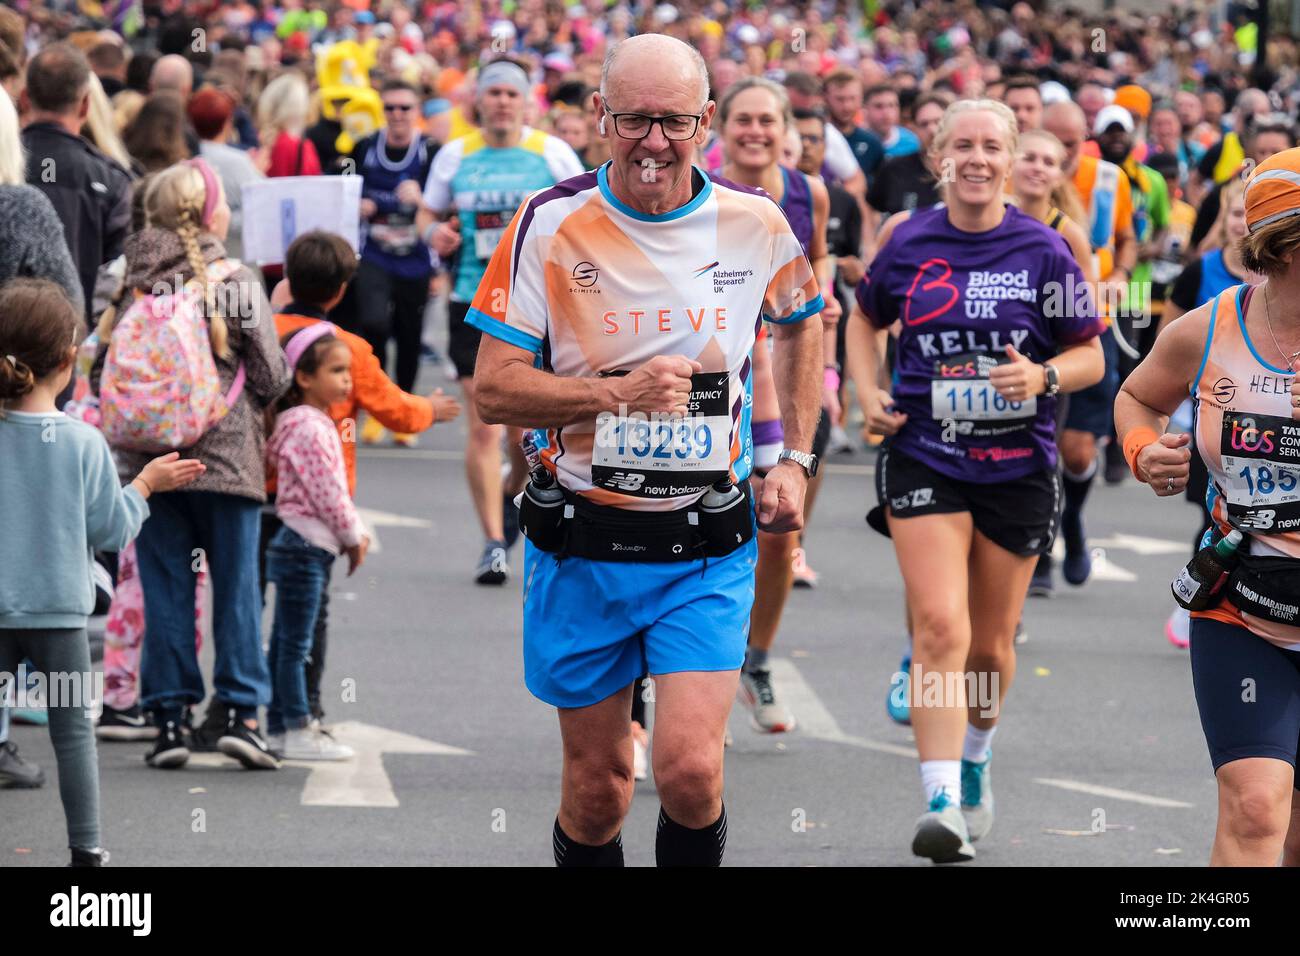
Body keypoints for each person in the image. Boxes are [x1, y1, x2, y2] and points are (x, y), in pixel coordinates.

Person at [470, 33, 823, 866]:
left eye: (674, 121)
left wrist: (795, 460)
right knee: (598, 795)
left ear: (705, 121)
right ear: (600, 115)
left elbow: (805, 325)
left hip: (703, 545)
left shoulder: (754, 223)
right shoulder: (550, 224)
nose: (654, 142)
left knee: (692, 773)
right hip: (583, 544)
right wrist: (611, 394)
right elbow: (492, 389)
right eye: (633, 119)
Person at [847, 99, 1104, 862]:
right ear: (940, 158)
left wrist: (1045, 374)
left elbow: (1089, 353)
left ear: (1012, 156)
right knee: (939, 630)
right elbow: (862, 319)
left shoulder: (1044, 249)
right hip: (926, 452)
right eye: (964, 145)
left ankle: (977, 752)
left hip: (1018, 467)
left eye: (994, 146)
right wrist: (866, 392)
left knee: (989, 649)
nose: (980, 158)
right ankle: (940, 799)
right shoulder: (908, 241)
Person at [1114, 147, 1300, 867]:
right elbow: (1136, 396)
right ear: (1282, 248)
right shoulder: (1211, 327)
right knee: (1256, 809)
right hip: (1242, 606)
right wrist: (1142, 452)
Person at [0, 277, 204, 865]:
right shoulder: (82, 442)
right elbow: (112, 530)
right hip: (60, 614)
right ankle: (85, 853)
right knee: (72, 737)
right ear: (67, 362)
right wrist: (145, 485)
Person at [99, 160, 291, 770]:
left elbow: (101, 359)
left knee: (165, 589)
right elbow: (271, 374)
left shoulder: (125, 277)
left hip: (148, 463)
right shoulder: (232, 279)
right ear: (211, 215)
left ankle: (170, 719)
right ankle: (240, 712)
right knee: (235, 589)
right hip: (225, 461)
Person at [268, 231, 458, 726]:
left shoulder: (261, 332)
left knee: (247, 605)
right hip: (314, 508)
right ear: (342, 290)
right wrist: (431, 410)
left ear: (288, 278)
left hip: (253, 488)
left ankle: (243, 708)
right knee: (309, 617)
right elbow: (392, 409)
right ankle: (302, 711)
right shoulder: (344, 348)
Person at [417, 58, 584, 585]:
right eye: (494, 94)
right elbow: (427, 213)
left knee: (520, 435)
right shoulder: (455, 156)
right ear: (479, 102)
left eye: (513, 93)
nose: (503, 102)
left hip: (538, 308)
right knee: (483, 425)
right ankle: (492, 541)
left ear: (527, 101)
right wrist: (433, 235)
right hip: (474, 301)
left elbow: (587, 211)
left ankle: (514, 502)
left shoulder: (550, 153)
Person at [715, 76, 840, 732]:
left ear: (786, 128)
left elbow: (815, 278)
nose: (756, 131)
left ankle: (755, 660)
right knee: (713, 524)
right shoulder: (695, 185)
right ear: (720, 126)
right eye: (744, 120)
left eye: (768, 120)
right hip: (725, 375)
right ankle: (694, 684)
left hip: (789, 368)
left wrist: (829, 367)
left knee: (781, 531)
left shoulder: (806, 191)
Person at [1156, 177, 1259, 650]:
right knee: (1218, 511)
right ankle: (1201, 592)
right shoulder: (1201, 273)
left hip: (1279, 424)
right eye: (1234, 213)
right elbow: (1167, 342)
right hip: (1213, 418)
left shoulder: (1282, 277)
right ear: (1224, 219)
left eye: (1249, 211)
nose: (1243, 221)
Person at [1037, 100, 1135, 595]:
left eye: (1070, 145)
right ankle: (1038, 547)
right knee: (1038, 451)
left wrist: (1119, 276)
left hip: (1088, 330)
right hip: (1033, 342)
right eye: (1048, 143)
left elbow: (1128, 240)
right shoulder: (1010, 192)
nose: (1057, 155)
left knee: (1075, 453)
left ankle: (1071, 518)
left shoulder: (1107, 181)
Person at [264, 325, 367, 760]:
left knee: (287, 640)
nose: (346, 380)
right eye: (336, 370)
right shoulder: (309, 427)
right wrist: (353, 536)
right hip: (306, 545)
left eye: (348, 371)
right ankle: (295, 727)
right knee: (295, 644)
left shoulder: (304, 422)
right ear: (304, 378)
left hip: (302, 545)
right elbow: (329, 492)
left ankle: (278, 726)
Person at [347, 79, 438, 436]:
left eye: (405, 108)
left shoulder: (431, 151)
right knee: (373, 325)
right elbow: (341, 189)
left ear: (417, 113)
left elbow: (446, 204)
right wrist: (358, 203)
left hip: (416, 256)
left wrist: (423, 199)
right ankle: (376, 407)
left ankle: (405, 411)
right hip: (374, 253)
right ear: (382, 112)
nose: (398, 115)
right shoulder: (365, 148)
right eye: (391, 108)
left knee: (410, 333)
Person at [21, 43, 132, 324]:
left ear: (24, 98)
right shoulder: (110, 179)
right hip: (78, 338)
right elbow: (119, 274)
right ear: (85, 104)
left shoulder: (9, 162)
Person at [190, 86, 263, 261]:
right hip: (233, 255)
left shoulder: (185, 155)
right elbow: (261, 208)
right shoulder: (237, 161)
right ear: (227, 123)